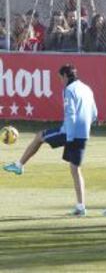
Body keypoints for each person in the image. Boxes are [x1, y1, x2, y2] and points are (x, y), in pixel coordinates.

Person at [3, 64, 98, 217]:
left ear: (66, 76)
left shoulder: (69, 90)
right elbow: (94, 113)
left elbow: (71, 114)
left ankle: (19, 165)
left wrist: (70, 136)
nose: (60, 81)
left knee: (39, 136)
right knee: (75, 169)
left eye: (60, 78)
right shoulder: (87, 88)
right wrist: (84, 127)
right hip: (83, 134)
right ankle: (81, 207)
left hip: (69, 133)